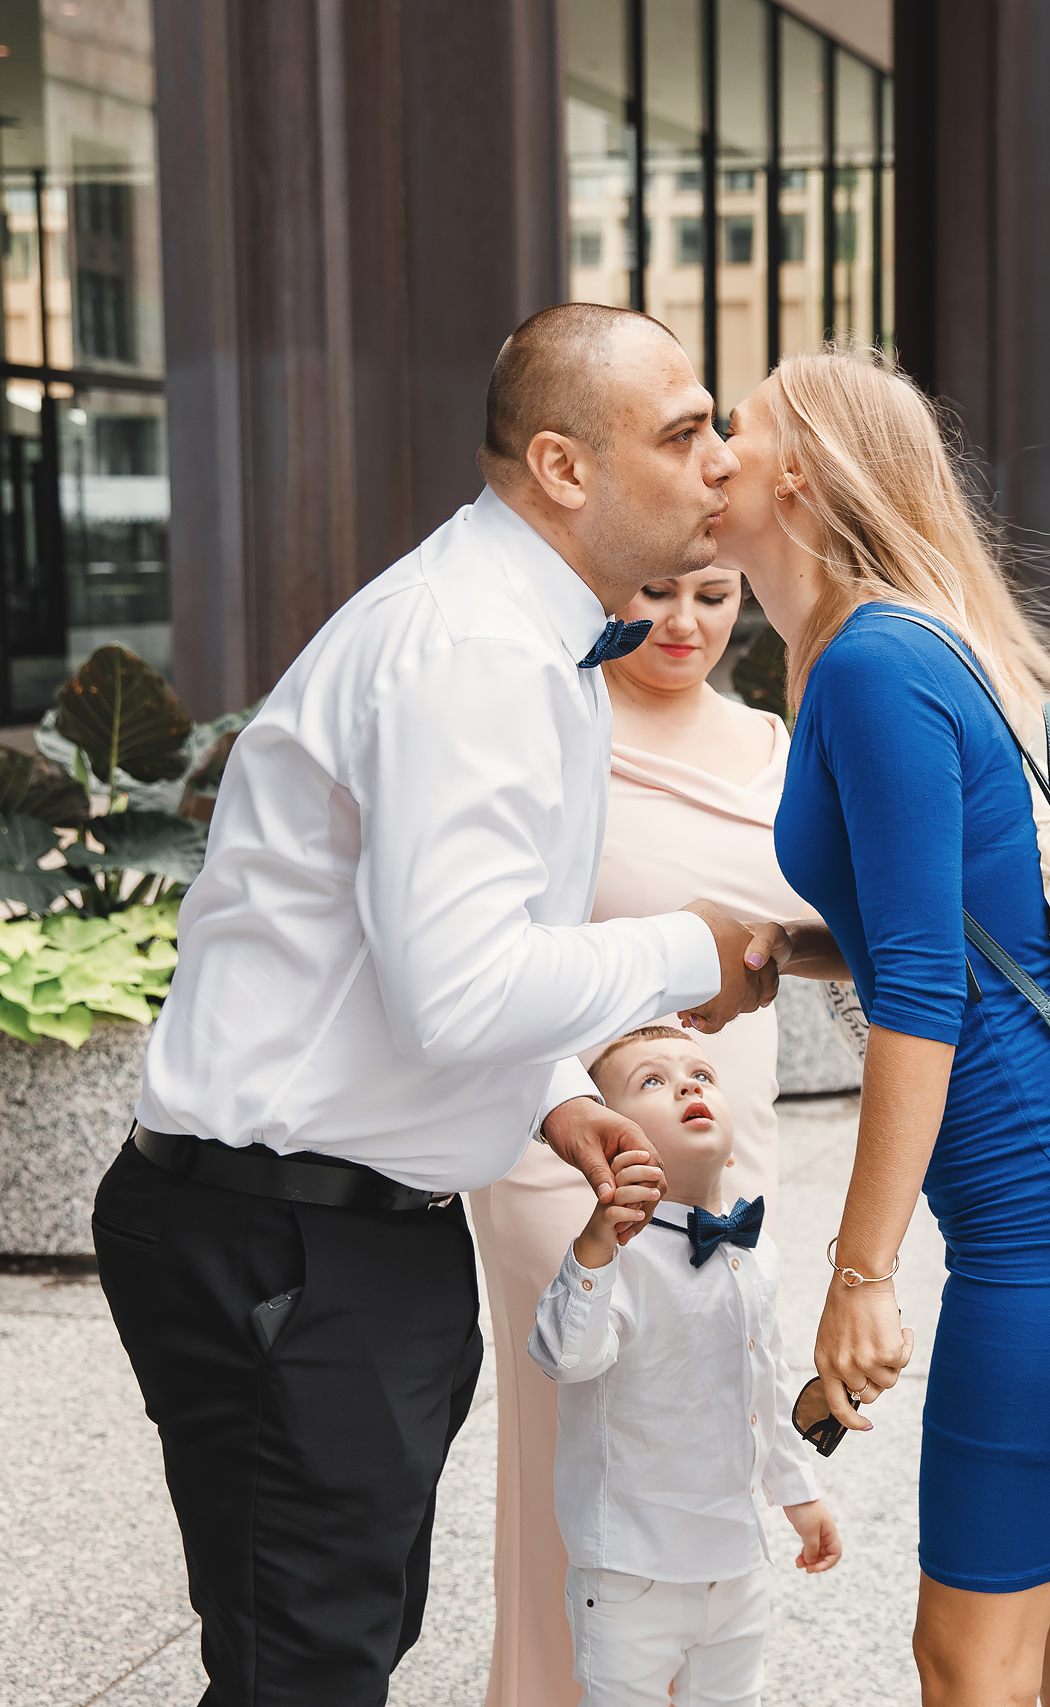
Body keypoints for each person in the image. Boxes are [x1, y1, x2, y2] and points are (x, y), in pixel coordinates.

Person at [91, 303, 784, 1704]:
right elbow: (456, 986)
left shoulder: (514, 629)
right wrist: (687, 949)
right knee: (310, 1666)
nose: (724, 460)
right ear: (563, 466)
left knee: (326, 1639)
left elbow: (411, 946)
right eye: (685, 429)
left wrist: (555, 1095)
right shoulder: (475, 649)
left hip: (327, 1230)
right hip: (291, 1237)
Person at [721, 347, 1050, 1704]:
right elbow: (942, 924)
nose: (707, 454)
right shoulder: (865, 648)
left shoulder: (871, 659)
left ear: (796, 470)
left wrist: (860, 1274)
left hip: (1049, 1211)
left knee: (966, 1654)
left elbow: (927, 989)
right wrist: (794, 948)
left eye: (727, 429)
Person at [469, 559, 846, 1707]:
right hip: (570, 1140)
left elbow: (835, 934)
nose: (684, 622)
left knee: (713, 1411)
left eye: (717, 595)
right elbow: (489, 947)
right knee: (578, 1424)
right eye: (657, 591)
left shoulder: (778, 747)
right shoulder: (552, 729)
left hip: (730, 1125)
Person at [526, 1024, 841, 1706]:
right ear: (608, 1137)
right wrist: (594, 1252)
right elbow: (564, 1358)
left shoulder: (759, 1253)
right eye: (653, 1081)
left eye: (701, 1073)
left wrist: (799, 1491)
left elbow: (769, 1382)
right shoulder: (615, 1256)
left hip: (733, 1560)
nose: (689, 1085)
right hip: (630, 1566)